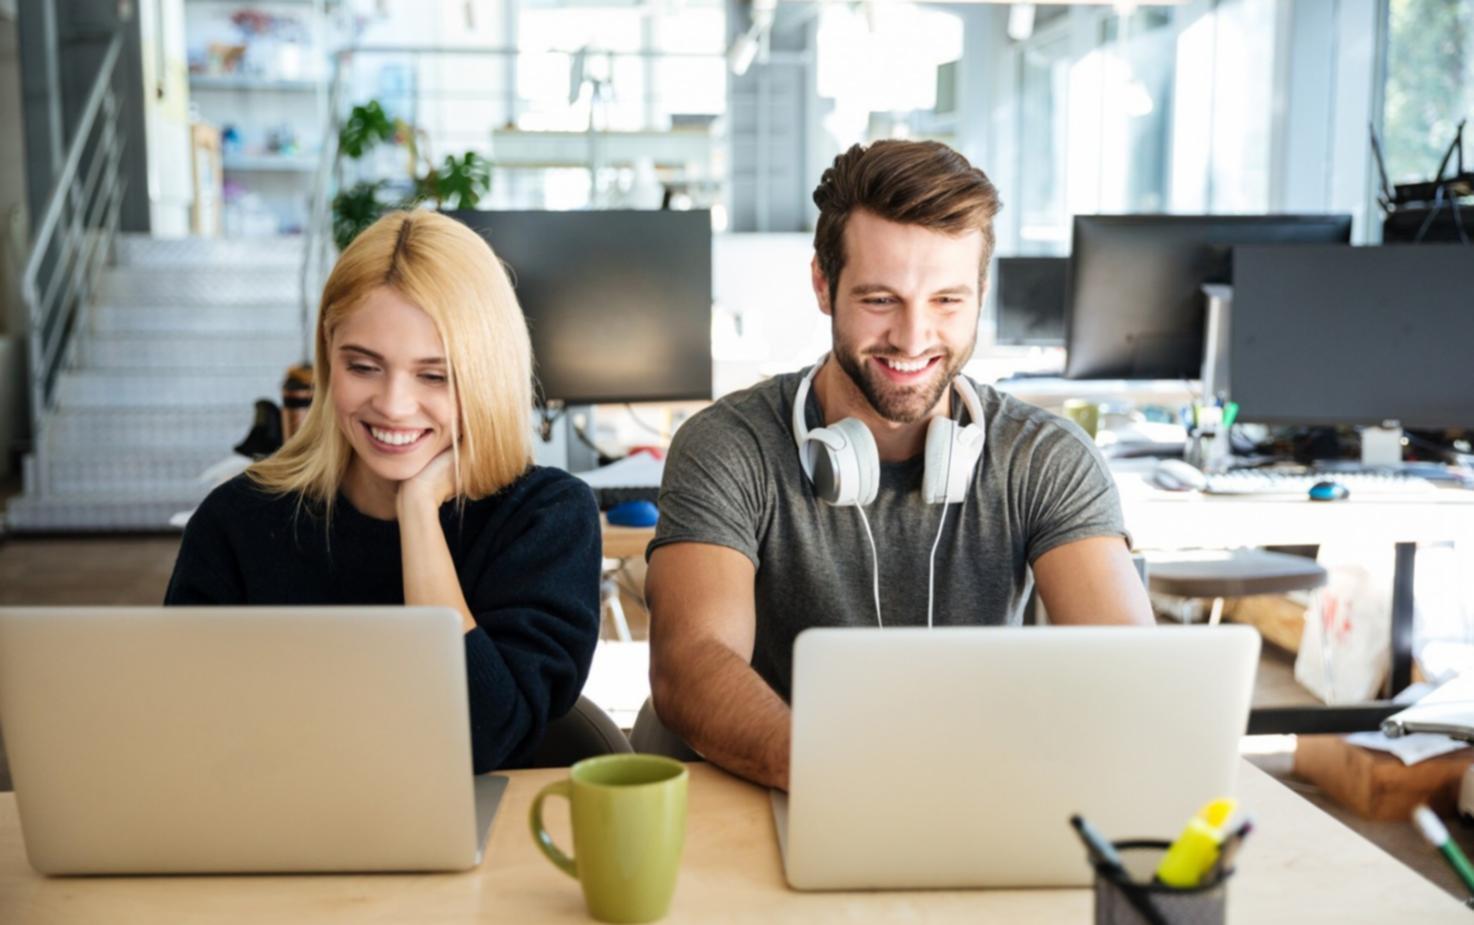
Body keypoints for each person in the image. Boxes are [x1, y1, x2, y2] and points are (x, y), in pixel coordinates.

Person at [646, 140, 1153, 791]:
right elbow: (692, 663)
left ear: (981, 292)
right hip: (783, 792)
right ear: (823, 285)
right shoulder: (728, 445)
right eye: (881, 300)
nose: (913, 340)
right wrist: (854, 777)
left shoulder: (1044, 458)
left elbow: (1133, 675)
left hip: (986, 795)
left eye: (947, 300)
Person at [165, 210, 603, 773]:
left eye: (434, 375)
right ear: (330, 354)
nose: (394, 405)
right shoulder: (239, 519)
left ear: (486, 373)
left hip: (487, 846)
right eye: (364, 366)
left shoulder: (546, 517)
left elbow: (480, 739)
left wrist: (418, 511)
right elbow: (183, 726)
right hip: (276, 826)